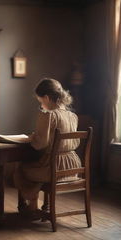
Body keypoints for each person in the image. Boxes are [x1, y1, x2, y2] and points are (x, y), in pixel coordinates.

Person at [14, 78, 81, 217]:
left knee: (22, 170)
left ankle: (32, 206)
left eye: (41, 101)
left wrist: (31, 138)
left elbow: (41, 143)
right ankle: (38, 206)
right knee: (34, 168)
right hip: (72, 166)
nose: (41, 105)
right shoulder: (73, 116)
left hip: (54, 168)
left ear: (47, 97)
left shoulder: (49, 115)